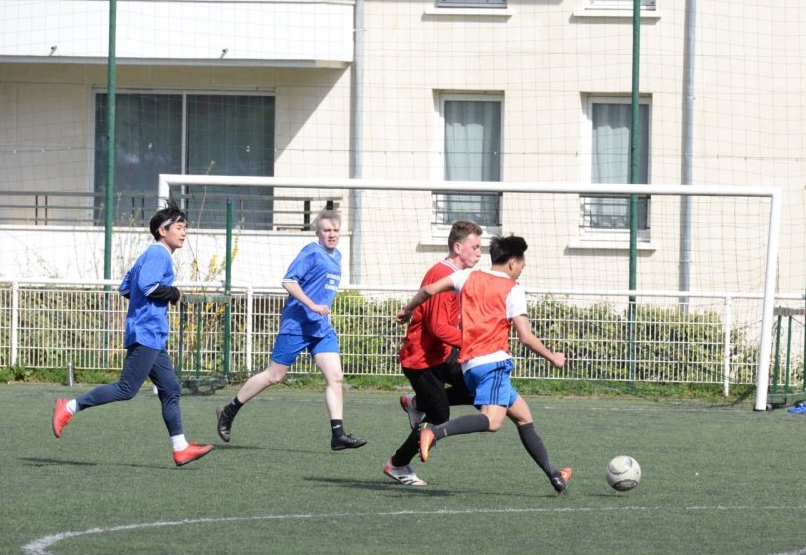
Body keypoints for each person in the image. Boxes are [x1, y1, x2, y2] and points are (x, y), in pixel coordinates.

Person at [394, 234, 572, 493]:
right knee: (492, 421)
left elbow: (428, 291)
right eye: (522, 264)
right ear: (512, 263)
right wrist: (553, 357)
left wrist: (407, 310)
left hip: (470, 365)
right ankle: (435, 432)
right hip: (494, 364)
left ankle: (555, 475)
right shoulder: (513, 289)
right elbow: (525, 337)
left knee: (523, 417)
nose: (522, 269)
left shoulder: (468, 277)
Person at [51, 199, 215, 466]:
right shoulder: (158, 254)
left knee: (171, 388)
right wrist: (173, 293)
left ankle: (180, 446)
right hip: (146, 333)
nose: (184, 232)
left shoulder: (149, 255)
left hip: (152, 334)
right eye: (179, 227)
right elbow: (149, 287)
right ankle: (68, 407)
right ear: (163, 231)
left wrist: (147, 302)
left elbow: (127, 288)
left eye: (186, 227)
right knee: (127, 389)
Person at [215, 209, 366, 451]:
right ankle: (228, 411)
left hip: (321, 328)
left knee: (335, 376)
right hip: (297, 324)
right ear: (318, 232)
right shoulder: (311, 252)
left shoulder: (336, 256)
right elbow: (288, 281)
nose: (332, 234)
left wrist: (322, 310)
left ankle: (338, 434)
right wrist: (312, 305)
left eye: (335, 230)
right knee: (274, 376)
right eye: (327, 230)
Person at [383, 220, 483, 486]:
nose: (479, 253)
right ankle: (398, 464)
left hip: (441, 353)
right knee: (439, 418)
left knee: (476, 389)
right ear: (458, 247)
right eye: (475, 247)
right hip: (421, 359)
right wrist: (473, 342)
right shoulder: (441, 274)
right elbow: (438, 328)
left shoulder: (457, 275)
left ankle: (417, 403)